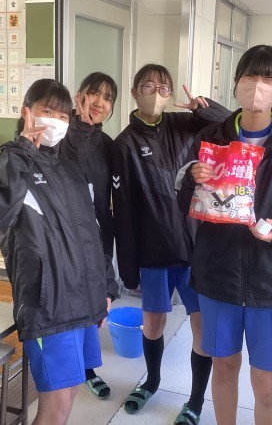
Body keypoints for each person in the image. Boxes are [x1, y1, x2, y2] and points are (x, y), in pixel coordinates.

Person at [177, 44, 272, 425]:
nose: (257, 86)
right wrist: (192, 180)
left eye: (266, 79)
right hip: (218, 275)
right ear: (236, 83)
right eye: (249, 77)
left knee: (267, 384)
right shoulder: (211, 136)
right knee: (224, 366)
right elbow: (184, 204)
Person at [0, 79, 109, 425]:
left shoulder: (69, 164)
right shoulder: (9, 160)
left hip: (84, 300)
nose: (56, 121)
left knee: (72, 391)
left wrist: (104, 289)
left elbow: (90, 230)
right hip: (49, 305)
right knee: (55, 407)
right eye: (47, 111)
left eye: (63, 115)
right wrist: (22, 151)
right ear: (27, 112)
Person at [111, 63, 230, 425]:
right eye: (148, 87)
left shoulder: (186, 124)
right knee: (153, 324)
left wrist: (202, 108)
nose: (157, 94)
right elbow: (124, 210)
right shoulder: (124, 144)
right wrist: (128, 270)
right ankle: (152, 381)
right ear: (135, 92)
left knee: (201, 329)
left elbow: (229, 125)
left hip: (195, 246)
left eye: (164, 88)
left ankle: (194, 401)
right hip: (154, 249)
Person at [62, 72, 121, 399]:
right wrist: (80, 128)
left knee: (95, 301)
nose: (99, 102)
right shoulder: (59, 134)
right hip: (63, 235)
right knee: (68, 302)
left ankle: (87, 368)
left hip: (97, 232)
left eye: (107, 98)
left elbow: (108, 198)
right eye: (94, 94)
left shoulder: (108, 145)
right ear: (79, 95)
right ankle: (69, 370)